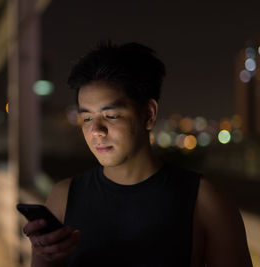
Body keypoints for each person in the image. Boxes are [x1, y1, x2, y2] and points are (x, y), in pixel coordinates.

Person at [23, 42, 253, 266]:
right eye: (87, 118)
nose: (96, 131)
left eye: (111, 116)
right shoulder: (63, 197)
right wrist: (46, 257)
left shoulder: (205, 201)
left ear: (149, 114)